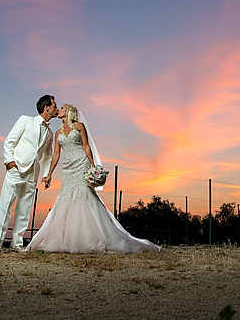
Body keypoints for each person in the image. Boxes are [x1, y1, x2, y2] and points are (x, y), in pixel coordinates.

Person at [28, 104, 160, 254]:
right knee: (66, 197)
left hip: (81, 164)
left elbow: (86, 147)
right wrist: (49, 174)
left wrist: (93, 167)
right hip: (67, 169)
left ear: (69, 112)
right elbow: (56, 155)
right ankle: (68, 238)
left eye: (63, 108)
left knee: (86, 195)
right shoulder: (58, 133)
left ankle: (97, 237)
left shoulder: (79, 127)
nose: (59, 110)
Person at [0, 95, 59, 253]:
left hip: (32, 174)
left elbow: (48, 156)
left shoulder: (49, 133)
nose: (57, 108)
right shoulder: (25, 120)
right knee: (5, 205)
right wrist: (9, 162)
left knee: (24, 209)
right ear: (46, 107)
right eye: (55, 105)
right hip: (16, 169)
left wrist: (47, 175)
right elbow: (10, 141)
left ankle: (17, 244)